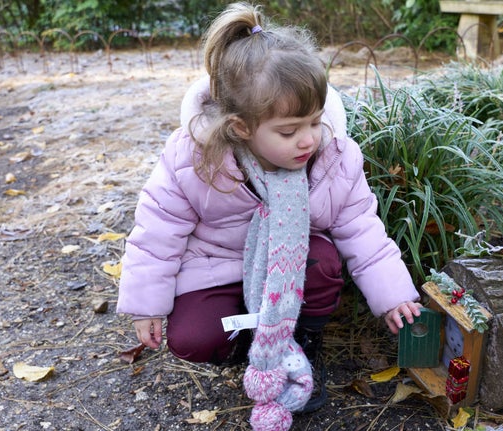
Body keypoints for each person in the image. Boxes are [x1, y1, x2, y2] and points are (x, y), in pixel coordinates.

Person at [116, 2, 422, 430]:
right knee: (191, 338)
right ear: (242, 127)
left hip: (292, 268)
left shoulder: (333, 156)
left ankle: (298, 345)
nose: (308, 140)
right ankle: (256, 353)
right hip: (217, 267)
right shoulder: (194, 158)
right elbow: (156, 231)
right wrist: (145, 306)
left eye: (314, 122)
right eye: (289, 131)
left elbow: (360, 226)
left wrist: (393, 295)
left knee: (325, 262)